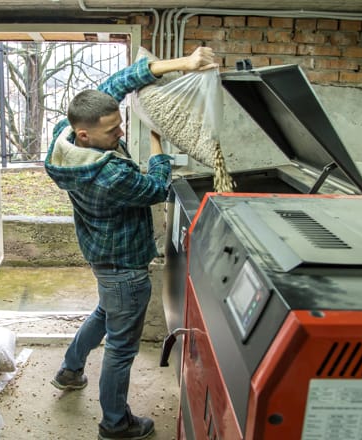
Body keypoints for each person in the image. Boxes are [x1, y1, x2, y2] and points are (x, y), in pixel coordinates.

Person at [43, 46, 217, 440]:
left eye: (119, 124)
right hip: (125, 268)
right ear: (87, 134)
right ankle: (115, 423)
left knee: (105, 314)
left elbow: (118, 83)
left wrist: (183, 64)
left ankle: (70, 371)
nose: (120, 133)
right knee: (121, 349)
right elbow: (157, 188)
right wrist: (157, 140)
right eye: (113, 131)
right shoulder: (107, 177)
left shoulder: (64, 138)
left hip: (102, 258)